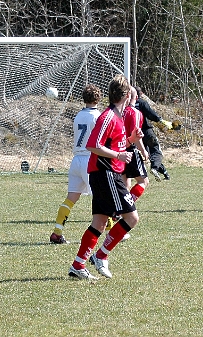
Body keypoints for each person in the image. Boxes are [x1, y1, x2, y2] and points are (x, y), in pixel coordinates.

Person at [68, 74, 143, 280]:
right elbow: (92, 144)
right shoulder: (108, 116)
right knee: (132, 217)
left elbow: (113, 146)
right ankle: (100, 256)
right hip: (105, 173)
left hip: (106, 173)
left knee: (99, 223)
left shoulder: (117, 117)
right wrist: (119, 155)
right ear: (127, 95)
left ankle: (78, 265)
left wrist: (130, 140)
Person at [50, 84, 101, 244]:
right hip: (89, 159)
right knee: (100, 198)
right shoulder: (98, 116)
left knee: (71, 198)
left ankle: (57, 232)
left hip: (76, 160)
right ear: (98, 98)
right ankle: (113, 232)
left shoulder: (78, 115)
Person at [134, 87, 172, 180]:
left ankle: (165, 173)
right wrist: (160, 120)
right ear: (140, 94)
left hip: (136, 135)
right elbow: (151, 114)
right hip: (147, 132)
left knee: (151, 154)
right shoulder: (142, 103)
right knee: (157, 152)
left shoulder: (126, 106)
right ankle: (154, 168)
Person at [123, 87, 150, 202]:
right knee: (143, 181)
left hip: (117, 150)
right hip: (130, 150)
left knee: (125, 185)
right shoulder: (135, 113)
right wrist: (143, 150)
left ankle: (115, 213)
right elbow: (136, 134)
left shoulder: (118, 111)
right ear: (137, 98)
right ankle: (125, 208)